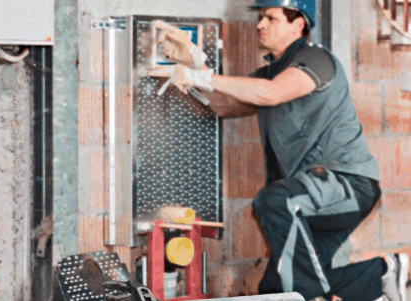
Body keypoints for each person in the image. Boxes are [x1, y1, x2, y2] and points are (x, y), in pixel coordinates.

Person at [151, 0, 408, 300]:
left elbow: (272, 94)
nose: (260, 25)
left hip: (349, 185)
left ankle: (315, 298)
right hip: (307, 198)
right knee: (276, 290)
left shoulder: (316, 60)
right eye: (260, 18)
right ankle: (382, 272)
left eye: (270, 18)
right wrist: (197, 66)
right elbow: (223, 105)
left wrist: (204, 77)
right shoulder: (267, 74)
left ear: (298, 23)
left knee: (273, 201)